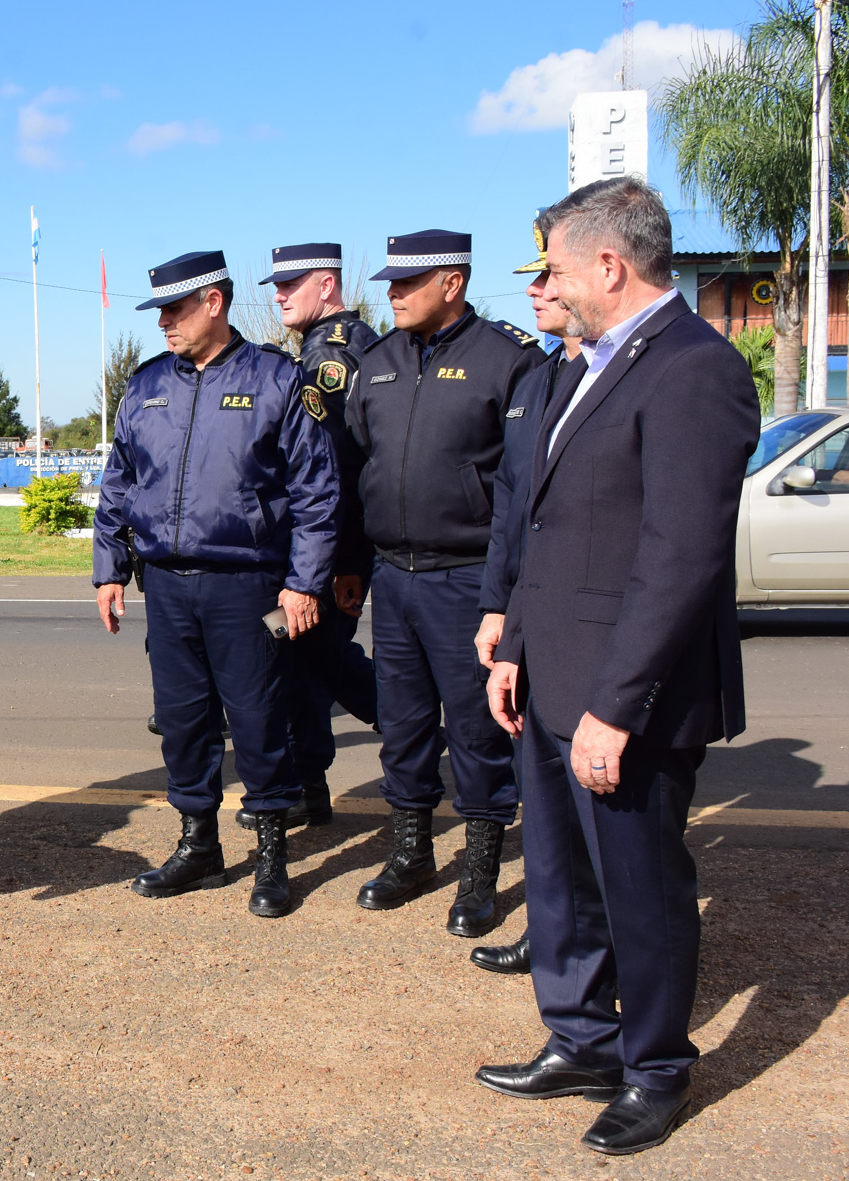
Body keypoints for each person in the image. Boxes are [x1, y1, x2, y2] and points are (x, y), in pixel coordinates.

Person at [478, 176, 759, 1155]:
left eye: (553, 265)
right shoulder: (593, 364)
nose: (545, 283)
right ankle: (583, 1038)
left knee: (642, 888)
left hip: (624, 696)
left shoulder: (693, 369)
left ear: (608, 263)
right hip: (554, 674)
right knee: (563, 881)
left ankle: (657, 1067)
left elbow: (678, 554)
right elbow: (554, 528)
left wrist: (615, 705)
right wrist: (514, 646)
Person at [93, 250, 340, 919]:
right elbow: (120, 483)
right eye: (159, 312)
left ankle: (270, 856)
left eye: (174, 309)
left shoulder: (276, 381)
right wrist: (109, 566)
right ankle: (198, 845)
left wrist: (304, 583)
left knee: (259, 721)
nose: (164, 323)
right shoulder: (146, 386)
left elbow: (316, 491)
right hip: (167, 585)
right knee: (182, 723)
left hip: (248, 585)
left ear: (213, 303)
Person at [346, 229, 546, 936]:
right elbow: (357, 470)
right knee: (400, 728)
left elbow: (519, 493)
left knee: (476, 732)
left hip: (467, 579)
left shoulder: (508, 361)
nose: (391, 294)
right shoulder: (376, 364)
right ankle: (411, 855)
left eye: (407, 283)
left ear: (452, 283)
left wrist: (500, 596)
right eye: (389, 283)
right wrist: (350, 569)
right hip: (393, 578)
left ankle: (480, 874)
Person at [468, 214, 589, 976]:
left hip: (586, 625)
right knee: (543, 809)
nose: (536, 290)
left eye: (548, 275)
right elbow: (512, 506)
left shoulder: (620, 376)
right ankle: (552, 933)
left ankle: (594, 958)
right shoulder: (539, 377)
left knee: (593, 819)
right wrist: (497, 609)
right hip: (527, 612)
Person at [257, 242, 379, 828]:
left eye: (291, 284)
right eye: (276, 285)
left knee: (310, 663)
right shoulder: (333, 348)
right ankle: (311, 783)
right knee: (311, 662)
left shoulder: (332, 358)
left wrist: (339, 560)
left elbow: (337, 469)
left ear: (326, 286)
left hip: (329, 551)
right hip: (333, 549)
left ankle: (416, 731)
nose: (279, 295)